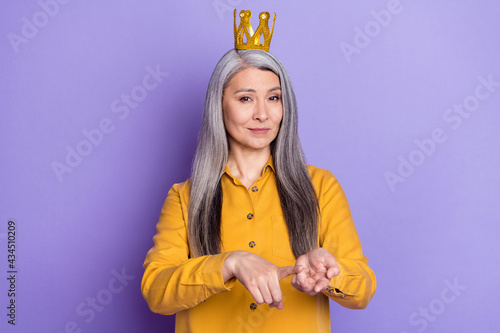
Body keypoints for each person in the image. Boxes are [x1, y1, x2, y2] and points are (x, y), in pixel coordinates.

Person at [141, 10, 376, 333]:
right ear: (219, 106)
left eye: (274, 98)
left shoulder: (320, 186)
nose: (263, 114)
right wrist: (227, 263)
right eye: (246, 98)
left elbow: (363, 287)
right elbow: (157, 291)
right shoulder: (185, 197)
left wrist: (331, 272)